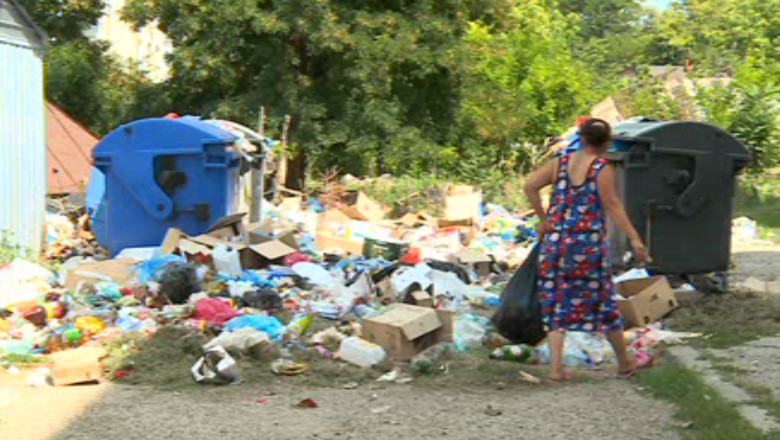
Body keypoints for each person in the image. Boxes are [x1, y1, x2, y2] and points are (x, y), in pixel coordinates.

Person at [523, 118, 649, 381]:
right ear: (606, 143)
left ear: (581, 138)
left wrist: (544, 220)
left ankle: (556, 369)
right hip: (586, 247)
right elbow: (613, 205)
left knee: (555, 302)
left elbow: (530, 185)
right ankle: (625, 362)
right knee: (603, 302)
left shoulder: (560, 163)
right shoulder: (601, 168)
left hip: (554, 245)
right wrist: (635, 239)